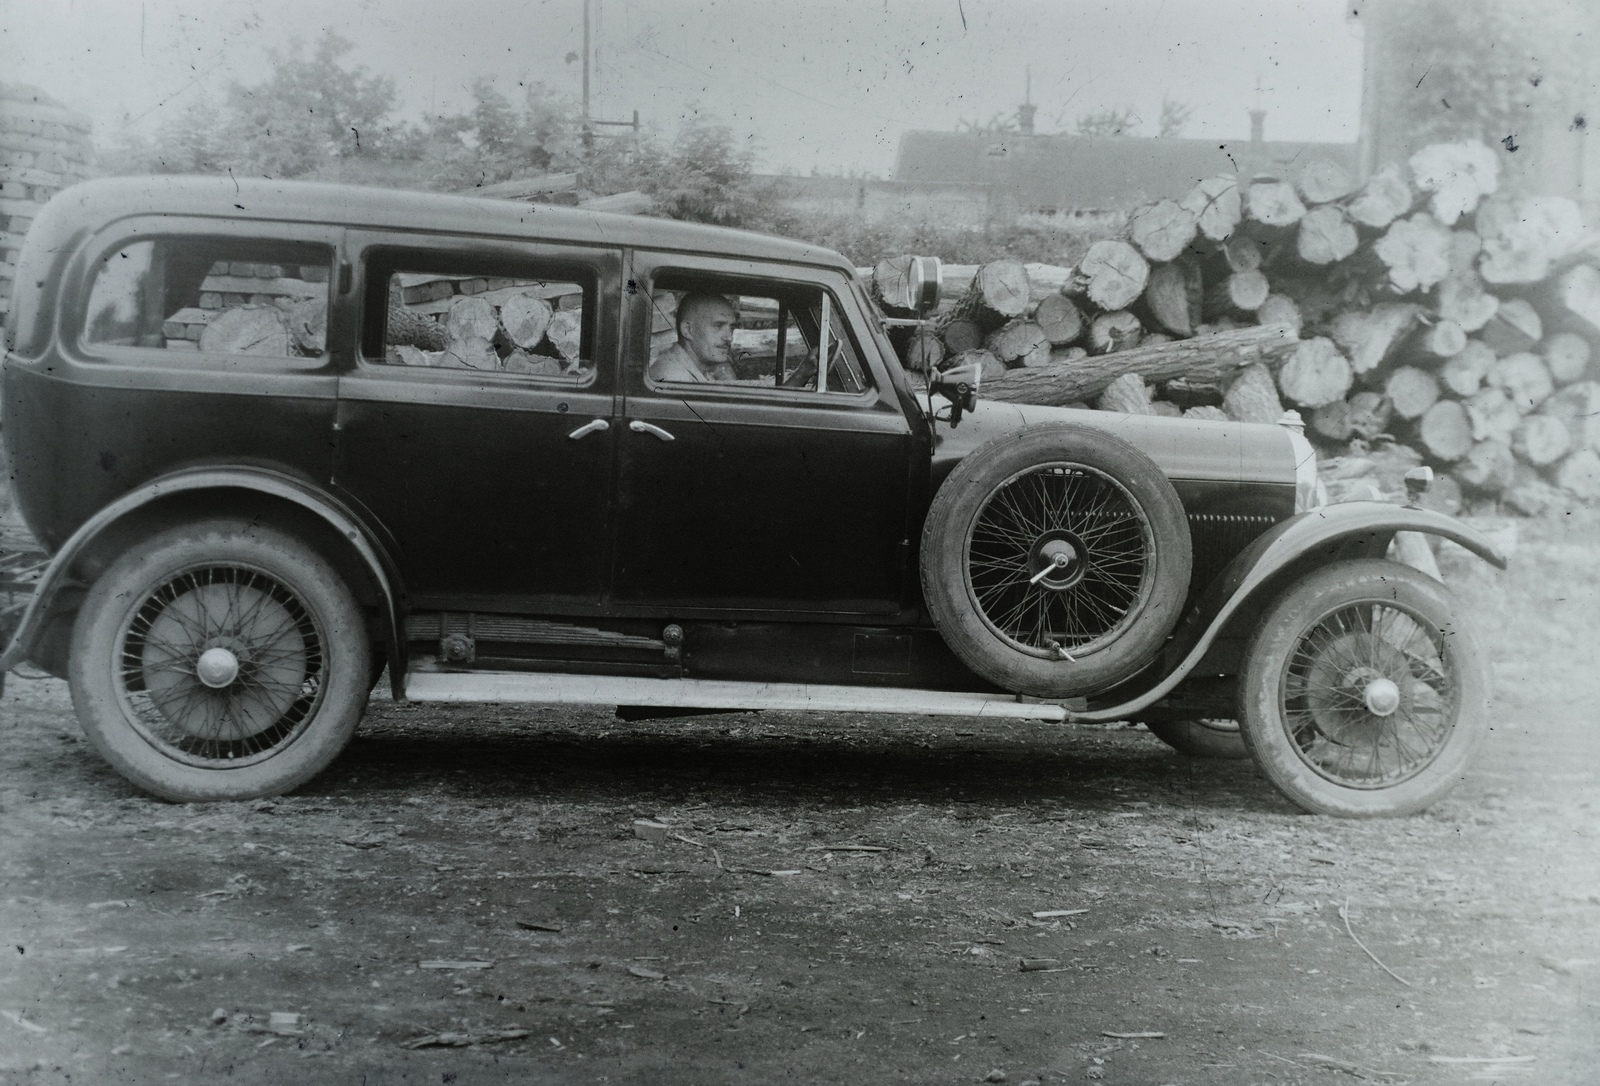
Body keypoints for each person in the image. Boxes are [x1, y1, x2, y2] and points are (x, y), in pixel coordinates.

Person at [648, 291, 738, 383]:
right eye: (718, 326)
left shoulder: (693, 370)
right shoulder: (674, 378)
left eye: (731, 328)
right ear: (688, 330)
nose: (729, 338)